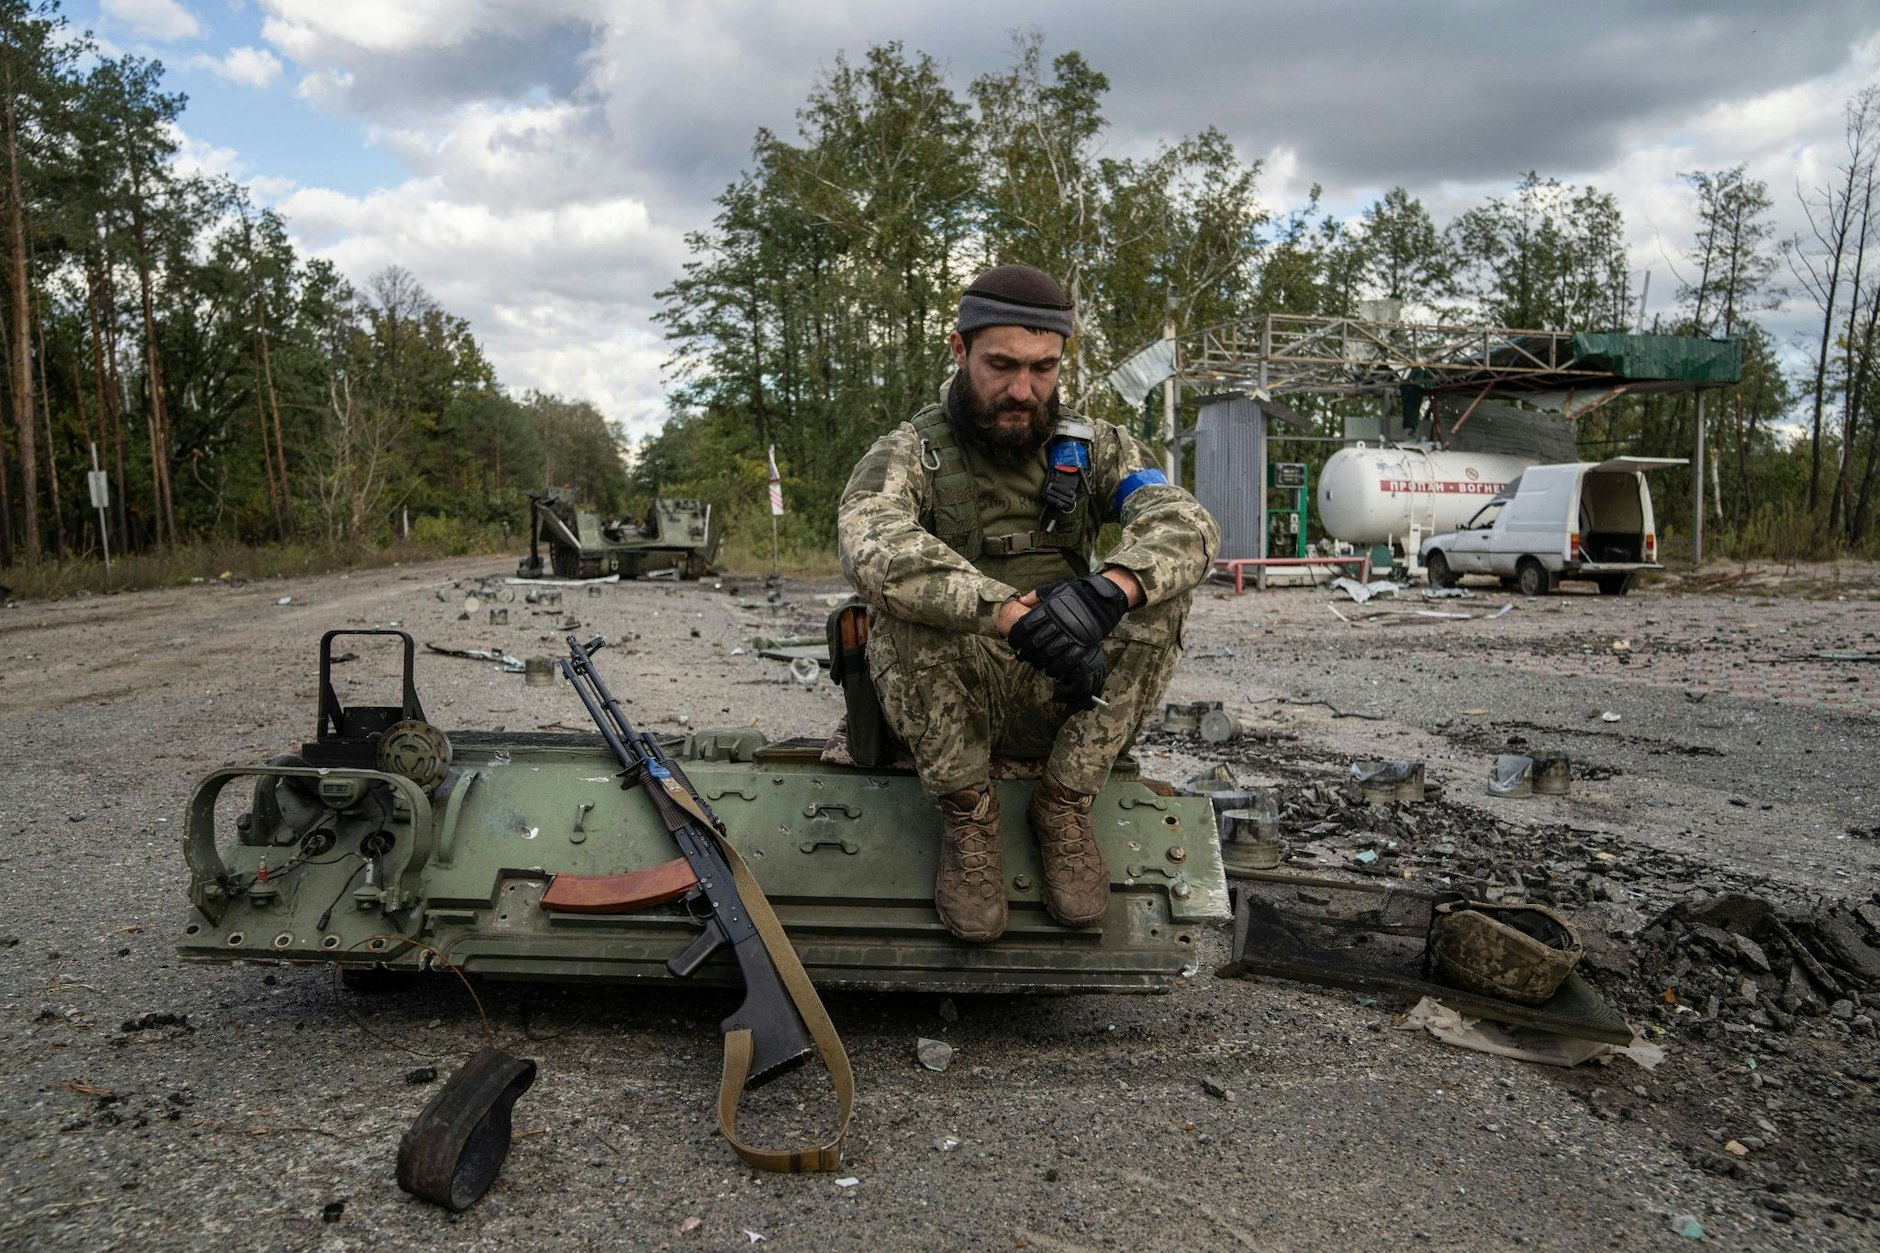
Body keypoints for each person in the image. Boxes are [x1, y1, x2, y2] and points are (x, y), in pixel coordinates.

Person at [837, 263, 1220, 943]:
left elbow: (1184, 522)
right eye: (1002, 365)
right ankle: (969, 815)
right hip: (952, 700)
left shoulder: (1096, 448)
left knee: (1163, 591)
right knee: (905, 598)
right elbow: (872, 540)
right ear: (959, 350)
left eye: (1043, 368)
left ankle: (1065, 803)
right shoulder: (909, 452)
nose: (1022, 390)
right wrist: (1009, 614)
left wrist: (1111, 591)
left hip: (1064, 696)